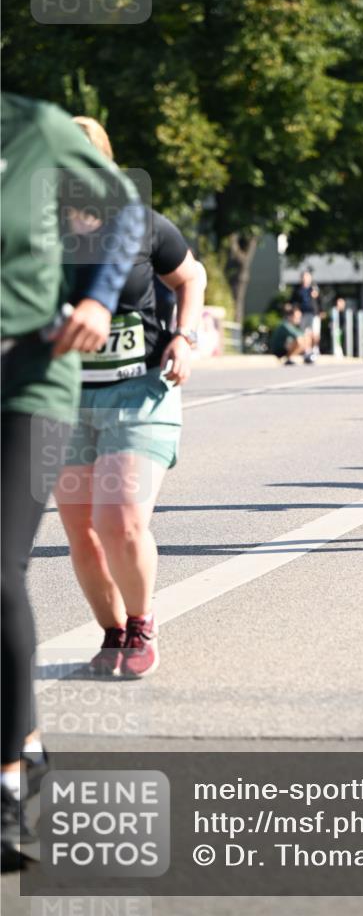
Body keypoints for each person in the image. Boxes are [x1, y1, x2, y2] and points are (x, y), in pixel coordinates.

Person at [1, 93, 144, 870]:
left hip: (30, 370)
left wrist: (95, 296)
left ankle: (9, 774)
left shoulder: (34, 128)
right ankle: (23, 733)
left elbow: (127, 209)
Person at [54, 116, 204, 681]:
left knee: (118, 518)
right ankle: (113, 632)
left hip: (141, 393)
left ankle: (142, 623)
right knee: (82, 533)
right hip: (66, 400)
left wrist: (185, 338)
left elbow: (191, 277)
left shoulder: (140, 226)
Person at [291, 270, 320, 360]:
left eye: (307, 277)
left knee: (314, 333)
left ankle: (315, 348)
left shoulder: (313, 288)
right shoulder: (298, 289)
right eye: (304, 277)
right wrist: (295, 310)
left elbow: (320, 301)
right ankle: (307, 350)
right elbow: (293, 301)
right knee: (305, 333)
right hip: (303, 313)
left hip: (313, 313)